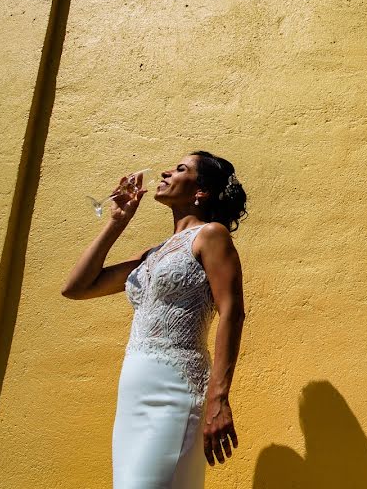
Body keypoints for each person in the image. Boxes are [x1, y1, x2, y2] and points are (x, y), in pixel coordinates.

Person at [62, 151, 248, 488]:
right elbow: (76, 287)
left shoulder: (211, 235)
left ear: (201, 190)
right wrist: (117, 221)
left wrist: (219, 397)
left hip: (175, 385)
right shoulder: (152, 254)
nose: (165, 171)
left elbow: (232, 313)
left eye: (180, 169)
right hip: (134, 386)